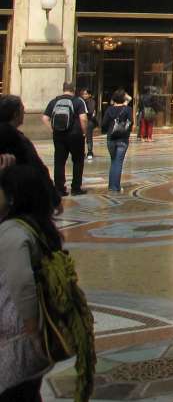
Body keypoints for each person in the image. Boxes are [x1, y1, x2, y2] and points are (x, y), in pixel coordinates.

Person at [0, 164, 59, 400]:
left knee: (16, 392)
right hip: (26, 334)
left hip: (18, 335)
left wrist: (31, 328)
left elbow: (22, 283)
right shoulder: (36, 225)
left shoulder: (13, 233)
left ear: (13, 198)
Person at [0, 96, 61, 214]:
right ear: (16, 113)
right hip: (18, 198)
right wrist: (55, 199)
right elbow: (38, 169)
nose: (25, 112)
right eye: (23, 109)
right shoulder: (16, 138)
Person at [41, 82, 87, 197]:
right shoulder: (78, 101)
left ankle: (60, 189)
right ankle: (76, 188)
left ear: (63, 89)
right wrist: (84, 132)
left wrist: (53, 130)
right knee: (77, 161)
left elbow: (45, 118)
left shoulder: (54, 101)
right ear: (74, 89)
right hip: (75, 135)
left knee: (59, 161)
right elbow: (83, 118)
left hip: (59, 135)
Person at [99, 90, 134, 194]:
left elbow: (104, 124)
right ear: (124, 99)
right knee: (118, 162)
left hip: (111, 138)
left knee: (114, 161)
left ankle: (111, 185)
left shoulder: (109, 109)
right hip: (122, 138)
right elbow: (131, 122)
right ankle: (115, 187)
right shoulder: (128, 109)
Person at [79, 88, 96, 162]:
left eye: (86, 94)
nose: (84, 95)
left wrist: (84, 113)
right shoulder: (80, 101)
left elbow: (91, 111)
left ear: (89, 95)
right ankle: (81, 152)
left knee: (89, 137)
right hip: (81, 121)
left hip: (89, 121)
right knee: (81, 137)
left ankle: (90, 152)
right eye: (83, 94)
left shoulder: (91, 101)